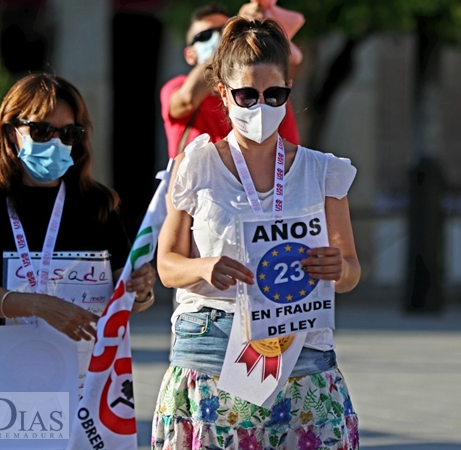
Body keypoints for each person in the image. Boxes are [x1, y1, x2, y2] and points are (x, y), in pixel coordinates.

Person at [152, 17, 361, 449]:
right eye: (247, 94)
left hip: (302, 354)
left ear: (288, 93)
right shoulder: (196, 166)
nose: (260, 106)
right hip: (211, 350)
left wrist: (337, 267)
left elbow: (351, 271)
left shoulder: (324, 172)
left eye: (274, 94)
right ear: (224, 94)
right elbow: (167, 265)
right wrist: (204, 266)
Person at [0, 74, 156, 448]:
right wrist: (39, 305)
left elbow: (127, 295)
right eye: (42, 130)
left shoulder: (99, 204)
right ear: (11, 130)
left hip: (80, 384)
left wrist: (141, 290)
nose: (55, 142)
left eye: (68, 133)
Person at [160, 3, 300, 160]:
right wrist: (231, 42)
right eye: (205, 36)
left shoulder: (269, 93)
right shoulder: (175, 86)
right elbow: (187, 99)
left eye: (223, 31)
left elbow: (289, 152)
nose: (218, 38)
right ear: (189, 54)